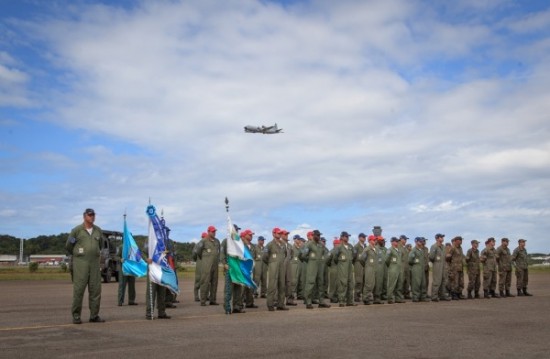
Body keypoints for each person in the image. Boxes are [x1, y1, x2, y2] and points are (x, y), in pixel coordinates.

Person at [65, 208, 105, 324]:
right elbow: (68, 246)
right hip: (81, 264)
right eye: (89, 215)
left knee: (95, 290)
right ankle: (76, 316)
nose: (92, 217)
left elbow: (100, 245)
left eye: (93, 215)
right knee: (79, 290)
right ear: (84, 216)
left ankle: (94, 315)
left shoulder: (98, 231)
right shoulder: (76, 231)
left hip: (94, 263)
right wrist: (79, 254)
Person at [300, 229, 331, 309]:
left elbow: (326, 253)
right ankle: (308, 302)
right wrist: (310, 260)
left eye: (319, 235)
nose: (319, 237)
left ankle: (321, 302)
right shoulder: (309, 244)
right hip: (312, 266)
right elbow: (303, 255)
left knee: (321, 283)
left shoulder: (321, 244)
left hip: (320, 266)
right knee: (310, 283)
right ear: (313, 236)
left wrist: (323, 259)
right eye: (317, 235)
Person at [263, 228, 287, 311]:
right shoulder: (269, 244)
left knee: (282, 286)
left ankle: (281, 304)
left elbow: (285, 254)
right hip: (273, 266)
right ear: (273, 234)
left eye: (280, 233)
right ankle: (270, 304)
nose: (279, 234)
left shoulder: (283, 244)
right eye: (278, 233)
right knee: (272, 286)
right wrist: (271, 263)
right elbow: (265, 257)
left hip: (281, 267)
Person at [196, 225, 221, 306]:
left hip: (215, 265)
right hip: (206, 265)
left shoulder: (217, 241)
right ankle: (203, 300)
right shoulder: (203, 241)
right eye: (212, 231)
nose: (214, 233)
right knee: (205, 282)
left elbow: (219, 252)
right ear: (208, 232)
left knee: (214, 282)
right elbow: (198, 252)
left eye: (215, 231)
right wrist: (205, 259)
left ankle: (213, 300)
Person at [333, 231, 356, 307]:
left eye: (348, 236)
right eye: (346, 236)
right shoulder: (339, 247)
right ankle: (341, 301)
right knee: (342, 283)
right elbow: (335, 257)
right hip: (342, 267)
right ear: (342, 237)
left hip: (349, 267)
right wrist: (340, 264)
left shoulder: (350, 246)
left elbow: (354, 255)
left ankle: (350, 301)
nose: (347, 238)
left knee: (350, 283)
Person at [409, 237, 430, 302]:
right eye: (420, 241)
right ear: (416, 242)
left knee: (423, 283)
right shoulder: (414, 250)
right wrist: (416, 263)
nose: (421, 242)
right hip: (416, 268)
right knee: (416, 283)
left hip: (422, 268)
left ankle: (423, 297)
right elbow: (410, 260)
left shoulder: (421, 250)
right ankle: (415, 297)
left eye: (421, 241)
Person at [429, 233, 449, 302]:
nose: (442, 238)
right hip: (437, 265)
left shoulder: (443, 247)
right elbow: (431, 257)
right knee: (437, 281)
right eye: (441, 237)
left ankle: (442, 295)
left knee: (444, 280)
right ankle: (434, 296)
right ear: (437, 238)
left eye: (443, 237)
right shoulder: (434, 246)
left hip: (443, 265)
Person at [117, 240, 137, 306]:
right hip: (123, 269)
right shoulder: (121, 247)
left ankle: (131, 301)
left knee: (132, 286)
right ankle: (120, 301)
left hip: (131, 269)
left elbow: (138, 257)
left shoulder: (134, 247)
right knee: (122, 285)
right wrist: (120, 259)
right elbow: (116, 256)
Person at [385, 237, 405, 304]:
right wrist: (391, 266)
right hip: (393, 269)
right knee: (391, 284)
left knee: (399, 284)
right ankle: (390, 298)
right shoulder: (390, 250)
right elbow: (386, 260)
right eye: (396, 241)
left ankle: (398, 298)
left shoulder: (398, 250)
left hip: (399, 269)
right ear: (392, 242)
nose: (397, 242)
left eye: (398, 241)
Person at [360, 234, 378, 305]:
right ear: (370, 241)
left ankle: (370, 298)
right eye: (374, 240)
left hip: (374, 268)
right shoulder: (367, 249)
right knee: (368, 284)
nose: (375, 241)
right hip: (369, 268)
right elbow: (361, 259)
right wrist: (366, 265)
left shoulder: (375, 249)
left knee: (372, 284)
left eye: (375, 240)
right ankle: (365, 298)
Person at [446, 236, 465, 300]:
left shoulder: (460, 248)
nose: (461, 241)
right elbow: (447, 258)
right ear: (456, 241)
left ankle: (459, 293)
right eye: (460, 240)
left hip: (460, 267)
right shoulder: (452, 248)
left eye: (461, 240)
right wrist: (452, 265)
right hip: (454, 268)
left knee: (461, 281)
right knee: (454, 281)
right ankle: (453, 294)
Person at [286, 234, 302, 306]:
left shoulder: (300, 248)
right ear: (295, 239)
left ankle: (298, 295)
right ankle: (290, 298)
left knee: (299, 281)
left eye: (299, 239)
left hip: (299, 266)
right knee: (293, 282)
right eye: (298, 239)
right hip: (293, 266)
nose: (299, 240)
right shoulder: (292, 248)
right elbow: (289, 257)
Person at [192, 232, 207, 302]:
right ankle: (198, 296)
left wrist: (197, 260)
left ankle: (200, 296)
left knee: (202, 280)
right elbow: (194, 254)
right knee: (200, 280)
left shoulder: (198, 244)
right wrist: (198, 259)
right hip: (201, 263)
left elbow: (194, 255)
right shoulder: (200, 244)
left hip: (202, 263)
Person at [353, 233, 367, 302]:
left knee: (364, 280)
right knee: (358, 280)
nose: (364, 238)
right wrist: (355, 264)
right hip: (358, 264)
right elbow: (353, 257)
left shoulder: (365, 246)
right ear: (359, 238)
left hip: (364, 264)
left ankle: (363, 295)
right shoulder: (356, 247)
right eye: (363, 237)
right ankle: (356, 296)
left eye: (365, 237)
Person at [399, 235, 411, 299]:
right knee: (401, 281)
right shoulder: (398, 247)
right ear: (401, 239)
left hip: (407, 267)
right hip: (401, 267)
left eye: (406, 239)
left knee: (407, 281)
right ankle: (399, 295)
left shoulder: (405, 248)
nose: (405, 240)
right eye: (404, 239)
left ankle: (406, 294)